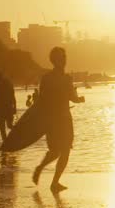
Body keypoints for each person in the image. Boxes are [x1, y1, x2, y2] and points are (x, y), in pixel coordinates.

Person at [33, 47, 84, 191]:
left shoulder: (46, 78)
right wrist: (80, 99)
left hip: (51, 119)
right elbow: (72, 98)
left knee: (56, 151)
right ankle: (54, 182)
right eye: (62, 57)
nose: (64, 60)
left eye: (64, 57)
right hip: (63, 120)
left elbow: (40, 99)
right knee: (64, 151)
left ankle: (42, 169)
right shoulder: (66, 78)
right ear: (56, 60)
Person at [0, 71, 17, 143]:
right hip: (4, 109)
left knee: (6, 127)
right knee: (7, 126)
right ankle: (8, 141)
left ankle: (9, 140)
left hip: (4, 109)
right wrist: (15, 108)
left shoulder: (6, 85)